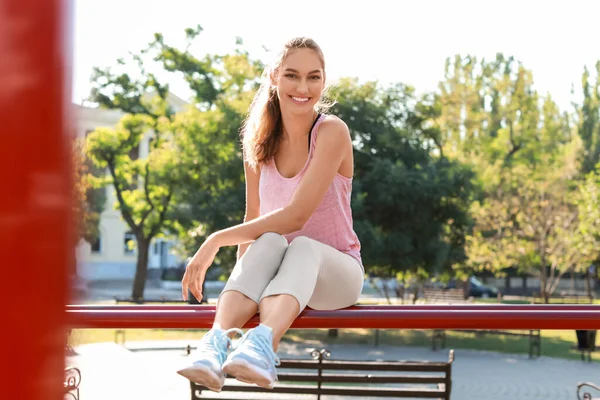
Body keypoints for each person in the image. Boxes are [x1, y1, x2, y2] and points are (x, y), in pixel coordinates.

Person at [176, 37, 364, 392]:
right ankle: (214, 346)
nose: (303, 87)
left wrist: (213, 240)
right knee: (269, 240)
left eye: (314, 77)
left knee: (302, 244)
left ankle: (262, 345)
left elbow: (295, 217)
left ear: (324, 82)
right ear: (275, 77)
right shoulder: (259, 142)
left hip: (336, 274)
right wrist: (240, 283)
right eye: (292, 75)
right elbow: (254, 219)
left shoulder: (332, 132)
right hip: (283, 280)